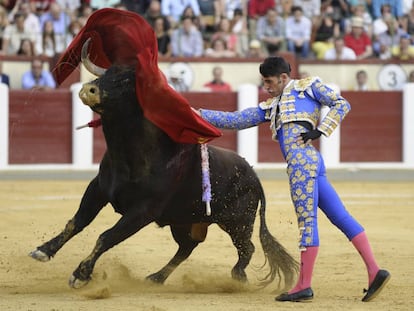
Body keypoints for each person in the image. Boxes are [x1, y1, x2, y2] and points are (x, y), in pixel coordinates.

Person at [194, 56, 390, 303]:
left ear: (283, 77)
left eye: (269, 81)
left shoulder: (308, 86)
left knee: (307, 222)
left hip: (301, 165)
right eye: (264, 82)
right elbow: (237, 119)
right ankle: (374, 271)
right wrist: (197, 113)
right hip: (312, 163)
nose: (266, 86)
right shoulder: (273, 105)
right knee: (340, 216)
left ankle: (304, 286)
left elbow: (341, 103)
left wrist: (321, 130)